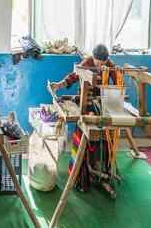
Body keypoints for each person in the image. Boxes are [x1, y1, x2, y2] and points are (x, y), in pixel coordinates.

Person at [49, 44, 118, 194]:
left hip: (102, 103)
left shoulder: (110, 65)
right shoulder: (86, 63)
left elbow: (118, 81)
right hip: (86, 103)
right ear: (93, 57)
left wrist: (116, 93)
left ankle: (103, 173)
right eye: (98, 62)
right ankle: (83, 177)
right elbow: (73, 76)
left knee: (105, 138)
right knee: (86, 137)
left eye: (103, 62)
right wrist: (59, 85)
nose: (100, 65)